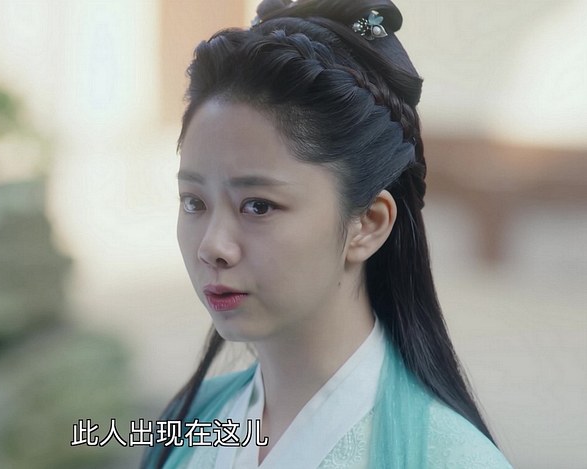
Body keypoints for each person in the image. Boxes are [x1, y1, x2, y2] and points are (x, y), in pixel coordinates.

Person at [142, 0, 513, 467]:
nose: (212, 246)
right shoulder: (190, 421)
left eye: (258, 206)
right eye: (193, 202)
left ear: (369, 223)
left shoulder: (450, 457)